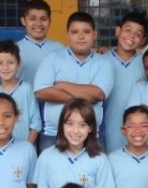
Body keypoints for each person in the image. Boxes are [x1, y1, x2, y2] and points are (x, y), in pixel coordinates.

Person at [33, 99, 114, 188]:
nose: (75, 131)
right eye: (70, 124)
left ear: (91, 128)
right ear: (61, 126)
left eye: (82, 125)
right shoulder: (47, 156)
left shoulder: (100, 159)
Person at [34, 11, 114, 150]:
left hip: (92, 135)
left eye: (86, 32)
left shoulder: (104, 63)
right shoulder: (52, 59)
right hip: (53, 134)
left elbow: (98, 94)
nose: (81, 36)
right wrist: (85, 96)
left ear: (94, 34)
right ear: (67, 35)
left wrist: (60, 85)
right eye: (75, 32)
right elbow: (41, 92)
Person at [103, 11, 148, 153]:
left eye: (138, 34)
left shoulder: (146, 65)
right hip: (107, 130)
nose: (131, 36)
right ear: (118, 31)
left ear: (143, 40)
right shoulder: (101, 61)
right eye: (128, 30)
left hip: (137, 133)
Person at [0, 39, 41, 145]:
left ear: (19, 64)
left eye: (11, 62)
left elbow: (36, 123)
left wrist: (27, 146)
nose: (5, 67)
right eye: (0, 63)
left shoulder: (27, 89)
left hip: (23, 147)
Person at [17, 0, 63, 84]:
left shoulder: (60, 48)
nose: (38, 23)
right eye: (32, 19)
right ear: (23, 21)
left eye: (43, 19)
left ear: (50, 22)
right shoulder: (14, 49)